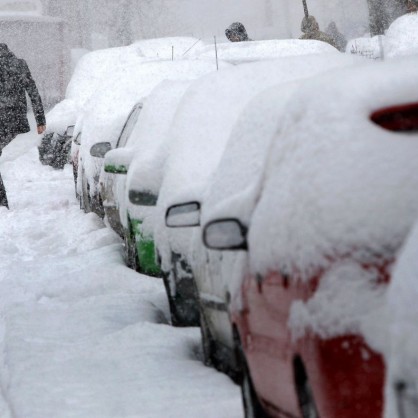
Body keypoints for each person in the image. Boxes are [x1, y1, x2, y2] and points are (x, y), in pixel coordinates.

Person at [0, 43, 46, 208]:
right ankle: (2, 203)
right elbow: (33, 91)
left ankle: (2, 203)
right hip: (16, 119)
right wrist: (40, 120)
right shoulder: (19, 64)